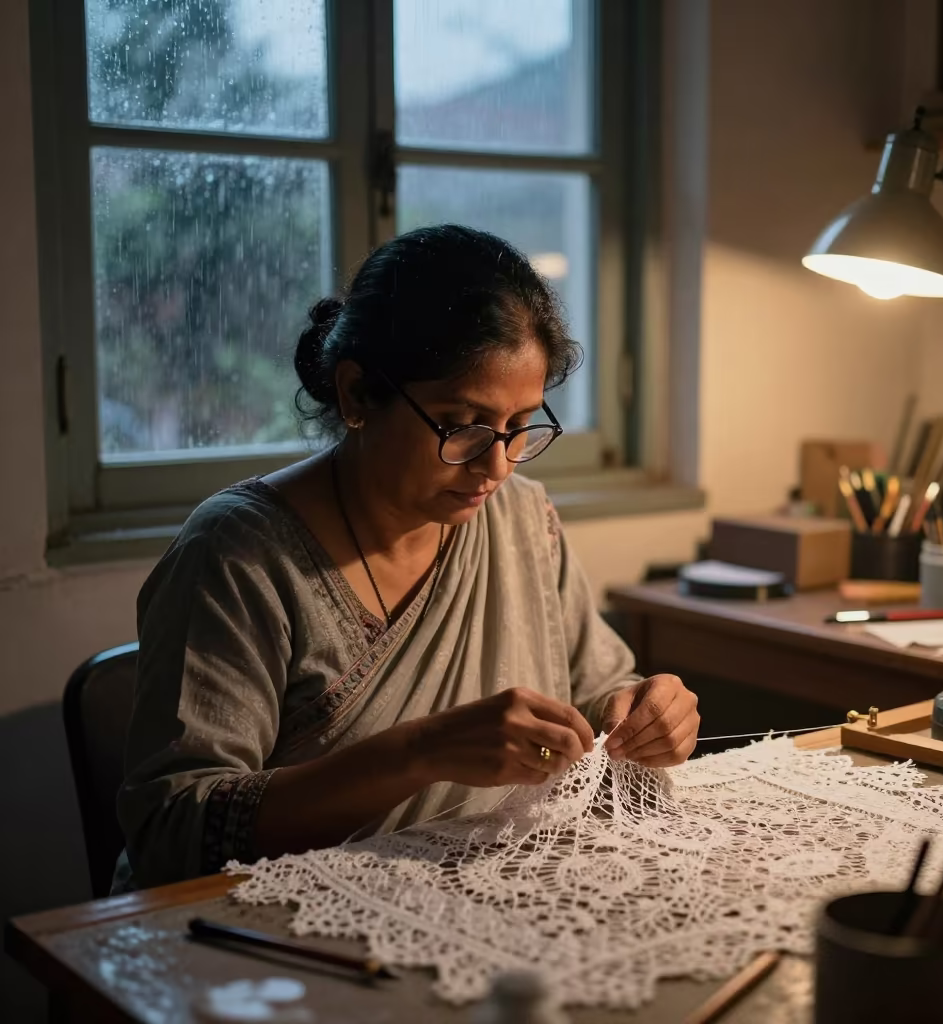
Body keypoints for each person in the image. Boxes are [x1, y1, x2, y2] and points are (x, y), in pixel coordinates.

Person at [117, 224, 699, 890]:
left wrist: (643, 715)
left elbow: (597, 696)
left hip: (481, 893)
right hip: (277, 924)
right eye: (462, 424)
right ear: (357, 394)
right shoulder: (239, 555)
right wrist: (422, 751)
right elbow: (174, 833)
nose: (496, 466)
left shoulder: (521, 518)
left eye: (519, 427)